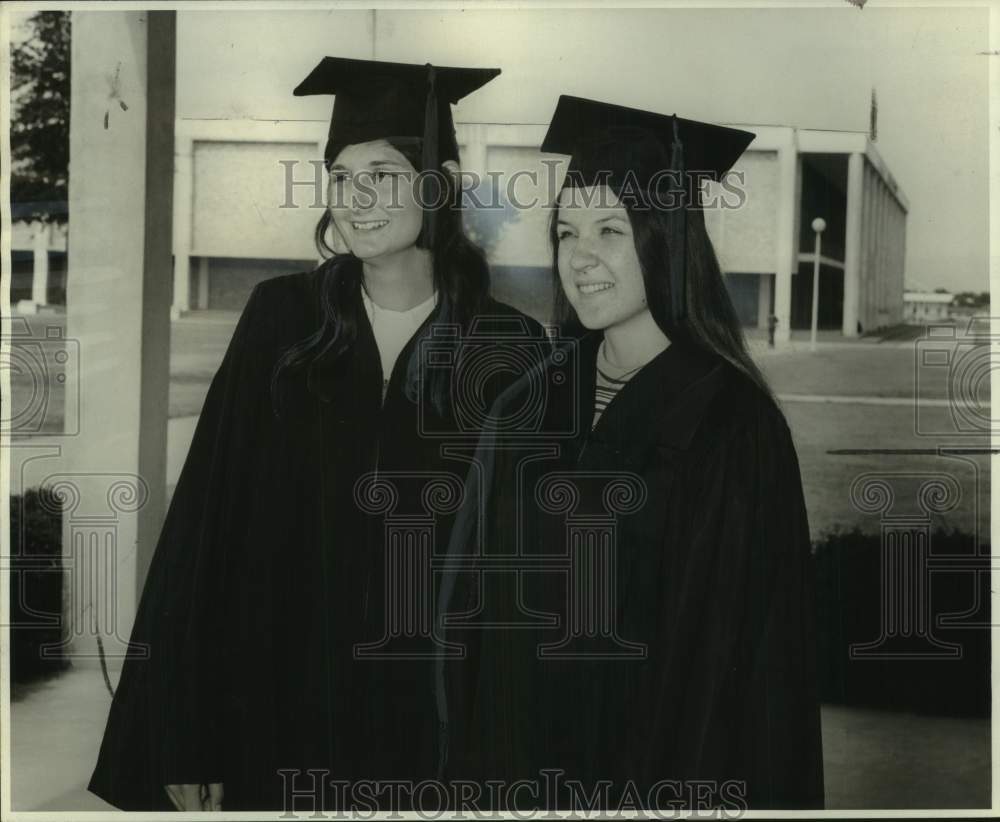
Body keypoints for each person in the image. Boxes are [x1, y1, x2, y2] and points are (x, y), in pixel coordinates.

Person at [88, 57, 547, 813]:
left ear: (443, 184)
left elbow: (528, 577)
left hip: (434, 733)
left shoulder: (510, 349)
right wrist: (183, 728)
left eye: (383, 174)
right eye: (339, 177)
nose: (355, 199)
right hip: (274, 712)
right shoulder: (281, 322)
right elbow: (207, 527)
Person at [440, 95, 824, 811]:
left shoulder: (731, 426)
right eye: (566, 231)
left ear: (666, 239)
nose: (580, 257)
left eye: (611, 229)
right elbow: (471, 616)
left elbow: (759, 668)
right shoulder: (528, 402)